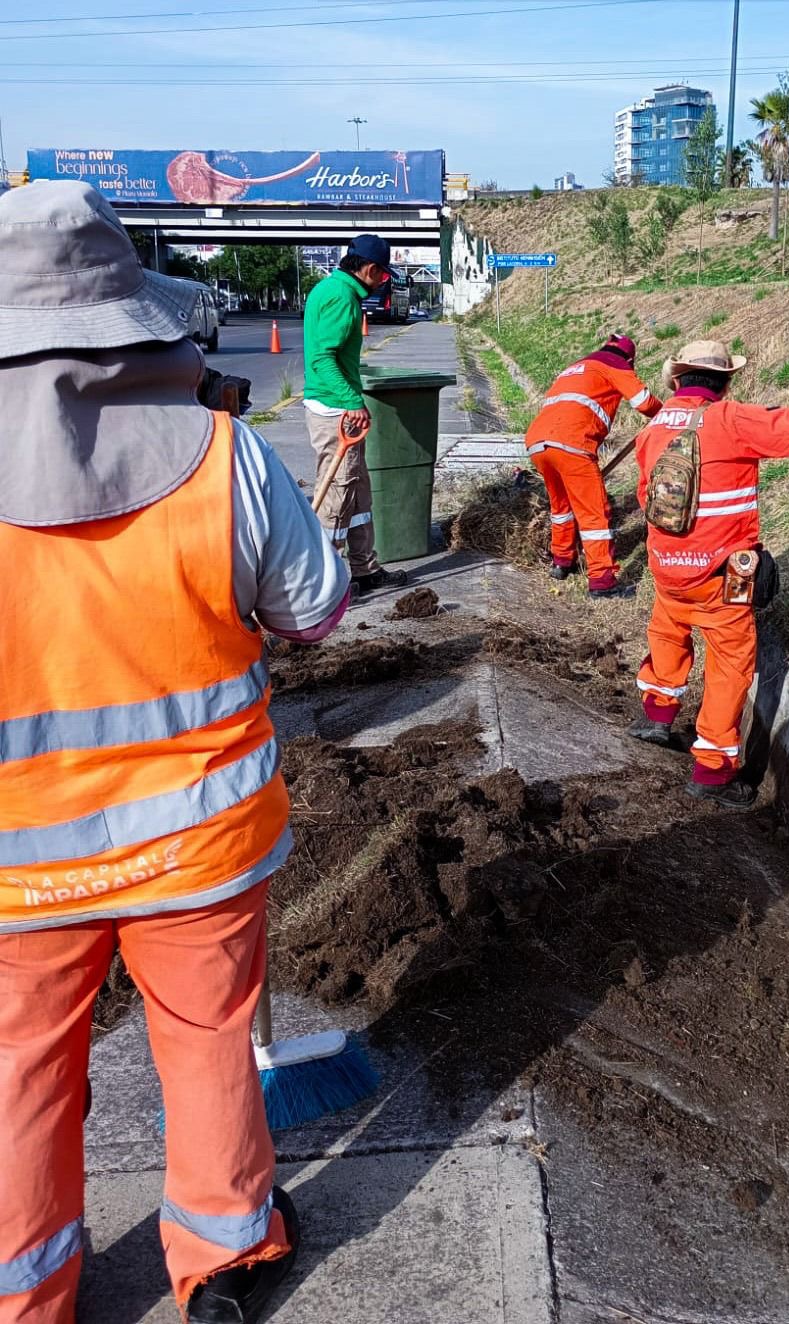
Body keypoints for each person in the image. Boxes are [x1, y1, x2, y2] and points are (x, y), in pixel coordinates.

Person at [0, 181, 351, 1323]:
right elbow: (315, 610)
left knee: (19, 1073)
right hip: (199, 846)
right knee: (205, 1045)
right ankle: (223, 1260)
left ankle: (25, 1293)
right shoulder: (225, 456)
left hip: (16, 871)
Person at [628, 340, 789, 810]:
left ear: (677, 380)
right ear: (726, 382)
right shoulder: (732, 419)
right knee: (730, 664)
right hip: (726, 576)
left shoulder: (654, 428)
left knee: (667, 632)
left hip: (666, 567)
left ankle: (657, 716)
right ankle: (712, 772)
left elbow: (644, 497)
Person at [303, 234, 405, 594]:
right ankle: (323, 582)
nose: (383, 281)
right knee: (338, 493)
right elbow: (322, 358)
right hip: (334, 410)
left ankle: (364, 569)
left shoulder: (332, 289)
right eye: (383, 275)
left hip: (336, 407)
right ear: (370, 269)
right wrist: (352, 401)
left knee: (358, 494)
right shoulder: (341, 297)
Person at [524, 334, 662, 599]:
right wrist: (667, 413)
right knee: (594, 514)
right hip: (572, 443)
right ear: (630, 359)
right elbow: (644, 402)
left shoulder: (577, 367)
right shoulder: (615, 364)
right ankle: (602, 580)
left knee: (561, 507)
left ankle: (562, 561)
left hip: (538, 442)